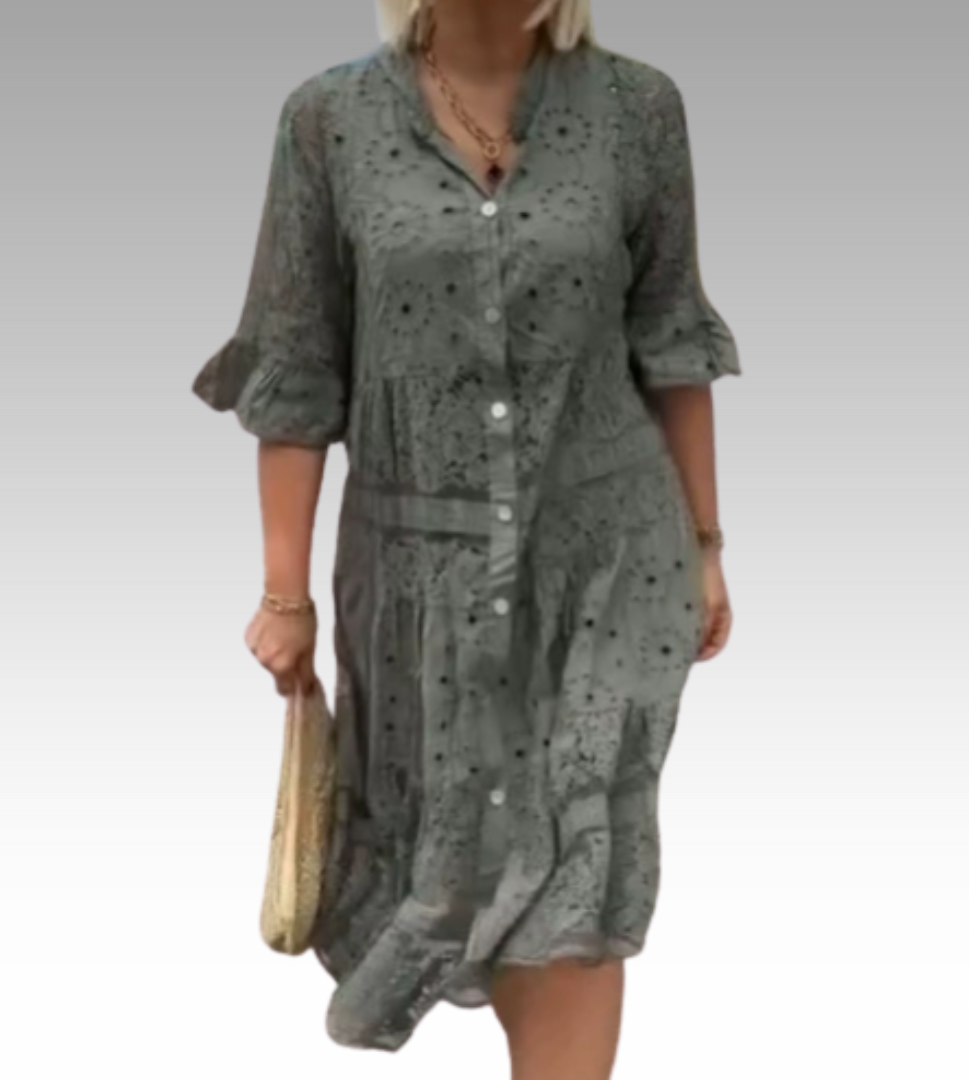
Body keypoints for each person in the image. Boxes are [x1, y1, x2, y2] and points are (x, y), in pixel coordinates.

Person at [190, 0, 740, 1073]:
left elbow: (671, 339)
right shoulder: (328, 122)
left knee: (580, 858)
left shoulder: (639, 110)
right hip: (418, 585)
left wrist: (708, 545)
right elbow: (298, 370)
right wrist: (285, 592)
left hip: (607, 563)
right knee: (447, 861)